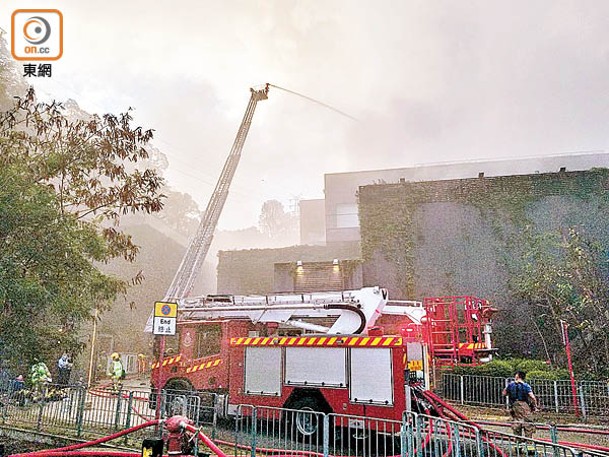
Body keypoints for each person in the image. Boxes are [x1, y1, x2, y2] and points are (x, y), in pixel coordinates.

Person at [502, 370, 538, 438]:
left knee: (516, 424)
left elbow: (504, 393)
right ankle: (529, 444)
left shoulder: (511, 385)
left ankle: (518, 445)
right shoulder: (526, 386)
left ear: (517, 376)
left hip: (514, 406)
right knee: (528, 424)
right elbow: (532, 397)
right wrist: (535, 406)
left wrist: (509, 388)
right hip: (524, 405)